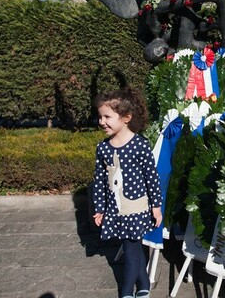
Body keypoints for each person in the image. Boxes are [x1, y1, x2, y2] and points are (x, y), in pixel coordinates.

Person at [92, 87, 162, 298]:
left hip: (137, 208)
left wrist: (156, 207)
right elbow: (100, 182)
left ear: (126, 118)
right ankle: (143, 283)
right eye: (100, 117)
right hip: (115, 209)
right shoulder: (103, 148)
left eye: (107, 117)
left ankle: (126, 291)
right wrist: (100, 209)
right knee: (132, 246)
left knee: (131, 247)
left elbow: (152, 178)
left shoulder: (140, 145)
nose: (102, 122)